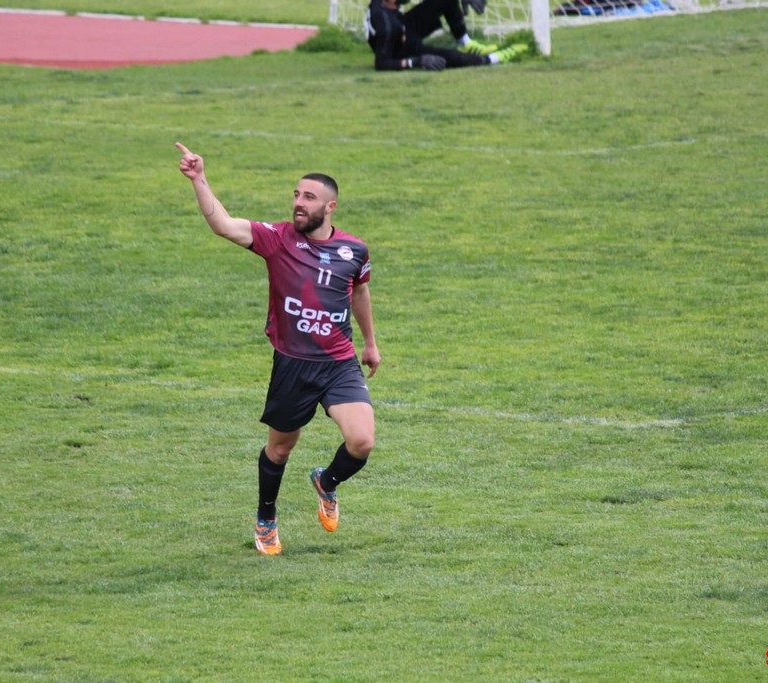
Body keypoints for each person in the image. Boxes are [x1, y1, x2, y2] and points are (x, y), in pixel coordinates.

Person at [175, 142, 381, 556]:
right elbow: (224, 225)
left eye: (309, 197)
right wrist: (199, 179)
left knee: (362, 442)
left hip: (339, 363)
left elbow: (359, 292)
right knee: (281, 448)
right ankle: (266, 518)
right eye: (296, 195)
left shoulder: (354, 250)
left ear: (331, 207)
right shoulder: (277, 239)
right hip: (293, 365)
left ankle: (327, 481)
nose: (299, 203)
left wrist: (370, 343)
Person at [366, 0, 528, 71]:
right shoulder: (386, 25)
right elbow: (381, 63)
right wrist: (416, 61)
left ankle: (466, 43)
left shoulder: (386, 4)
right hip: (401, 49)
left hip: (405, 24)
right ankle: (492, 59)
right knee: (448, 57)